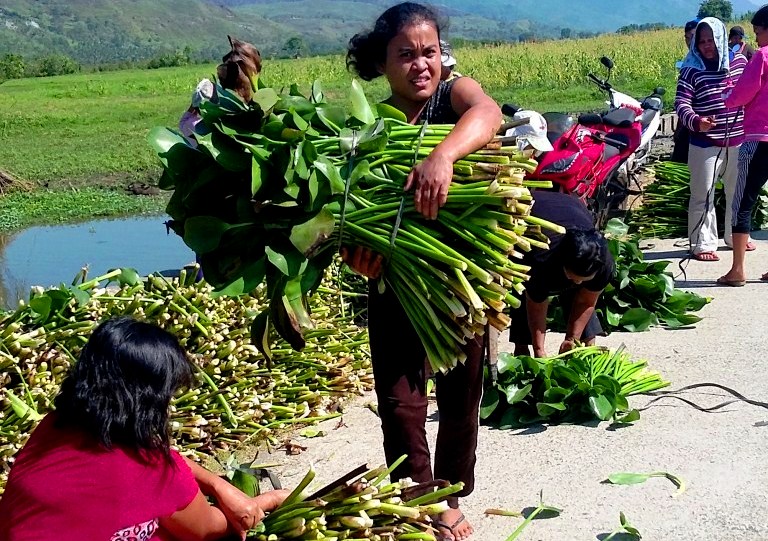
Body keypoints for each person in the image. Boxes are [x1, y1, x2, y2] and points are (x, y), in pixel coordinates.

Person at [344, 3, 502, 540]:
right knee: (399, 401)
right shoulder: (366, 128)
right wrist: (355, 254)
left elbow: (489, 111)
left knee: (462, 395)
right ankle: (420, 499)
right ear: (383, 63)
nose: (420, 65)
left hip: (461, 279)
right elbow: (349, 217)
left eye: (429, 52)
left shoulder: (451, 99)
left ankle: (451, 491)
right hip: (394, 281)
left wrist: (444, 156)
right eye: (405, 55)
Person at [0, 317, 288, 541]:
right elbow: (208, 530)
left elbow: (164, 458)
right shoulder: (149, 470)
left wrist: (218, 485)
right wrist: (267, 501)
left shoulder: (53, 427)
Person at [675, 17, 749, 262]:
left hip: (738, 139)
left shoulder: (739, 62)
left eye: (711, 40)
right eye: (701, 41)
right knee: (702, 194)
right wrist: (697, 121)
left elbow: (751, 90)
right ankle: (702, 244)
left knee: (736, 192)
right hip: (704, 143)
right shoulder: (691, 69)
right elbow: (681, 104)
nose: (707, 46)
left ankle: (735, 236)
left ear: (721, 39)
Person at [508, 191, 615, 357]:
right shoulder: (542, 258)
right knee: (522, 288)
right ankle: (521, 349)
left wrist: (572, 338)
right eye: (574, 277)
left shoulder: (603, 263)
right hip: (531, 208)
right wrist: (539, 350)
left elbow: (586, 301)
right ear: (562, 262)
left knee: (578, 292)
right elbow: (536, 304)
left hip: (571, 206)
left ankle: (585, 344)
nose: (578, 283)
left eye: (583, 279)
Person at [718, 6, 768, 286]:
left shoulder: (762, 56)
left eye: (759, 32)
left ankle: (737, 270)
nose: (757, 38)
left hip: (759, 140)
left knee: (742, 203)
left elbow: (742, 93)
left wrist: (727, 98)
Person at [671, 19, 701, 163]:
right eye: (687, 38)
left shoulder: (711, 61)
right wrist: (679, 126)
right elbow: (683, 99)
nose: (690, 42)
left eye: (694, 37)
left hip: (705, 124)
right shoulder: (688, 61)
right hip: (689, 121)